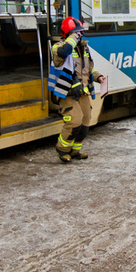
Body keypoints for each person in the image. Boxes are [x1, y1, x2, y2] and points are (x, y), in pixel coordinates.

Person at [48, 17, 106, 163]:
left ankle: (75, 150)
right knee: (74, 121)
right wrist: (73, 37)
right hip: (67, 92)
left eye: (80, 33)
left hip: (82, 92)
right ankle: (62, 149)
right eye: (77, 33)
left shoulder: (83, 49)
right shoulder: (58, 47)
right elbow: (63, 52)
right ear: (69, 34)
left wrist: (98, 77)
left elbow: (87, 70)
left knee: (86, 122)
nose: (80, 35)